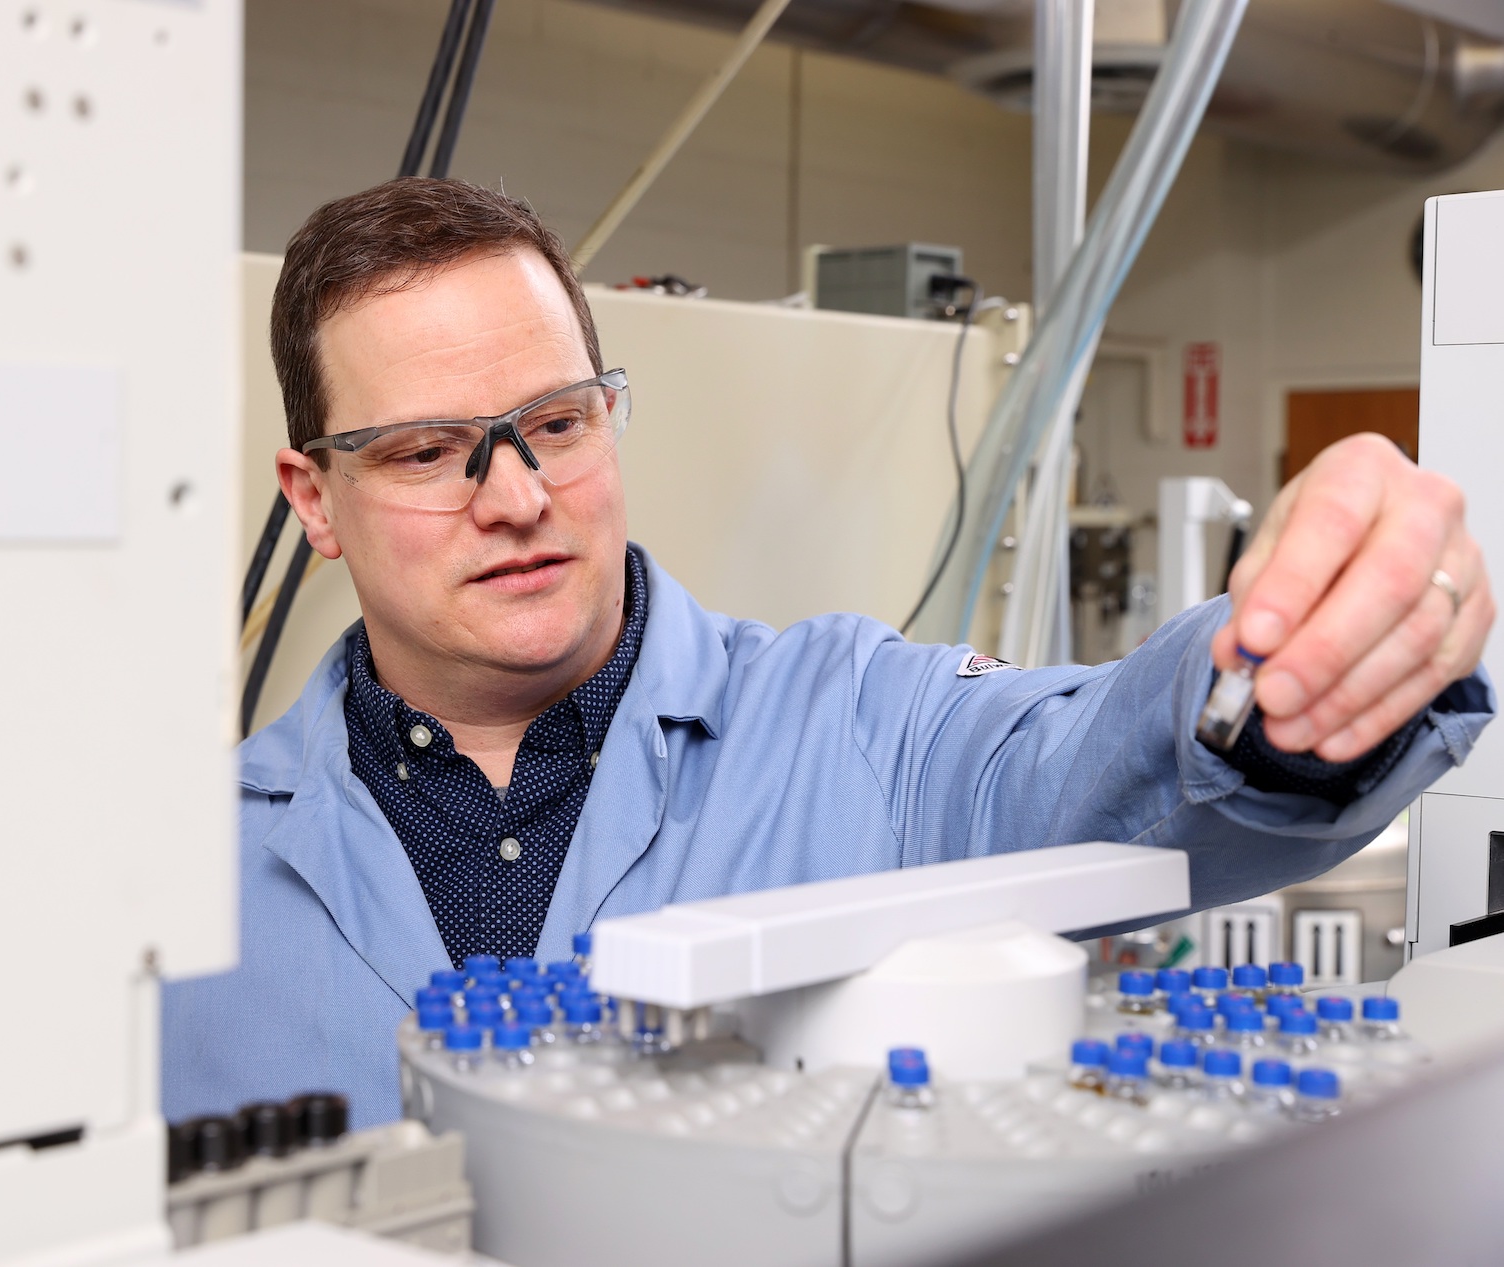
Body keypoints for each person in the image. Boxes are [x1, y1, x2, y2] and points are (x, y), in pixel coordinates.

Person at [163, 178, 1494, 1126]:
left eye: (557, 423)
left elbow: (1099, 763)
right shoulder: (180, 880)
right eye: (428, 451)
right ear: (312, 499)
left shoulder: (861, 726)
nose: (516, 495)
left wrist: (1288, 670)